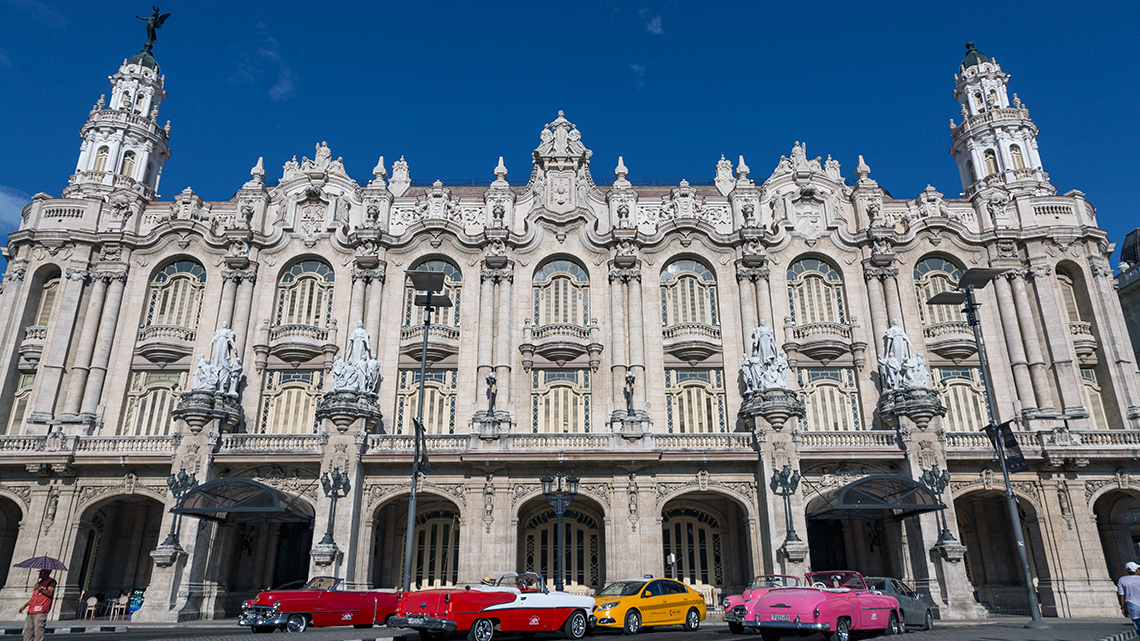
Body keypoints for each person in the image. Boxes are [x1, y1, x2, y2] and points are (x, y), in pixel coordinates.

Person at [19, 569, 56, 641]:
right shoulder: (39, 583)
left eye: (42, 573)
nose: (40, 574)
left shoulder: (51, 582)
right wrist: (24, 606)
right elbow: (34, 597)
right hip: (31, 610)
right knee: (28, 630)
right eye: (40, 572)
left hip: (41, 610)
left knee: (38, 630)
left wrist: (40, 589)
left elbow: (50, 593)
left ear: (47, 573)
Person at [1119, 561, 1140, 633]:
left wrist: (1123, 607)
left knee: (1138, 628)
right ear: (1136, 570)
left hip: (1133, 607)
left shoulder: (1122, 580)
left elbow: (1122, 594)